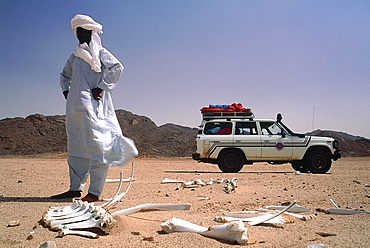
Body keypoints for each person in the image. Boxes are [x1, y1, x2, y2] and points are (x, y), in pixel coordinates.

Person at [51, 14, 138, 202]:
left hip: (93, 107)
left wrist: (102, 87)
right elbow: (64, 76)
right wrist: (67, 91)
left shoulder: (100, 53)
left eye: (85, 31)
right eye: (79, 31)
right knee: (76, 148)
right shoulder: (75, 56)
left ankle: (95, 192)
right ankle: (75, 188)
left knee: (96, 145)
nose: (82, 34)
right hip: (74, 108)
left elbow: (117, 68)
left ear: (91, 32)